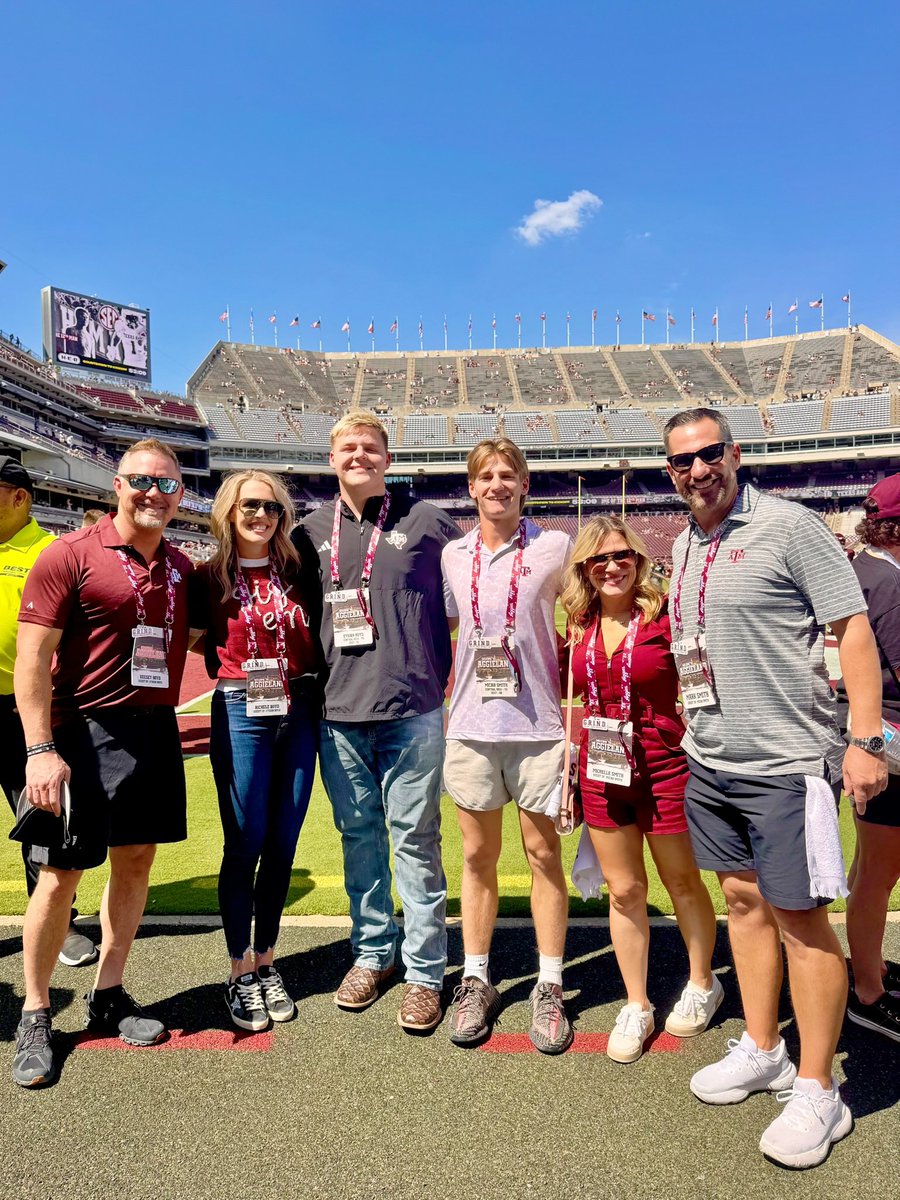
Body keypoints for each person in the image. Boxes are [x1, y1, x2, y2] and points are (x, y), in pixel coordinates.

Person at [663, 408, 886, 1169]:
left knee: (801, 922)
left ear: (734, 452)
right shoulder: (689, 542)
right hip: (713, 758)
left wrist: (865, 739)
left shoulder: (791, 527)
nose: (698, 470)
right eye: (682, 461)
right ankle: (765, 1048)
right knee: (744, 906)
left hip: (788, 765)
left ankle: (821, 1090)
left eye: (709, 453)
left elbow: (853, 629)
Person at [12, 438, 193, 1088]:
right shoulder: (70, 554)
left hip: (151, 733)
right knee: (60, 876)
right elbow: (32, 658)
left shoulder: (178, 567)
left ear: (179, 495)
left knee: (137, 862)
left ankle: (108, 990)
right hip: (78, 734)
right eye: (142, 480)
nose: (153, 493)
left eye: (167, 484)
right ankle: (36, 1010)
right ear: (118, 484)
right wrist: (39, 750)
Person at [294, 409, 459, 1033]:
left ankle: (424, 971)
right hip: (337, 712)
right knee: (358, 838)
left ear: (387, 458)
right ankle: (374, 952)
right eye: (347, 448)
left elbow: (465, 601)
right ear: (332, 459)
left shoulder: (425, 520)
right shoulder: (310, 531)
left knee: (416, 841)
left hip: (412, 709)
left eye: (370, 447)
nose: (358, 456)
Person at [560, 515, 719, 1063]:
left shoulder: (665, 619)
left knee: (681, 881)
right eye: (599, 559)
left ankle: (703, 983)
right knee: (624, 891)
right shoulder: (577, 626)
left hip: (665, 766)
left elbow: (702, 681)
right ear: (585, 567)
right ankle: (637, 1002)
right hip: (603, 771)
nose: (611, 566)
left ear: (638, 561)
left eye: (622, 556)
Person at [442, 439, 573, 1053]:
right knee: (476, 857)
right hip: (470, 725)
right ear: (472, 488)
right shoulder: (451, 555)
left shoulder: (556, 547)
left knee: (544, 855)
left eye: (508, 476)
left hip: (539, 726)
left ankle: (549, 982)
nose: (497, 484)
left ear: (525, 485)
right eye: (486, 476)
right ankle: (476, 977)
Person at [191, 470, 321, 1031]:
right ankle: (239, 969)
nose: (260, 515)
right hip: (241, 709)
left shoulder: (299, 569)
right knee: (245, 839)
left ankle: (267, 961)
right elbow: (185, 640)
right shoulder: (206, 577)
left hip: (299, 708)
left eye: (270, 506)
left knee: (284, 839)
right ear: (228, 511)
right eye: (248, 506)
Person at [0, 457, 99, 971]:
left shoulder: (51, 552)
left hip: (23, 709)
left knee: (39, 814)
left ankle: (59, 921)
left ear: (19, 496)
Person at [837, 475, 900, 1042]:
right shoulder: (890, 583)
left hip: (863, 736)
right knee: (879, 874)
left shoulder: (860, 571)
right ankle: (867, 991)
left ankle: (869, 968)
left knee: (868, 869)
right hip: (888, 743)